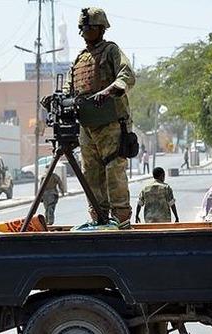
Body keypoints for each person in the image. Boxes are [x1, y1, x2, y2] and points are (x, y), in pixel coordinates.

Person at [57, 7, 135, 223]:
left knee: (113, 170)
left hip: (111, 123)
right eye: (81, 28)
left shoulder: (111, 51)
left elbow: (126, 75)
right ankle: (98, 217)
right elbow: (69, 88)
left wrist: (109, 90)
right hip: (87, 125)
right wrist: (60, 100)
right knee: (90, 172)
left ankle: (121, 218)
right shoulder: (80, 58)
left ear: (100, 28)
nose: (83, 32)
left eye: (88, 27)